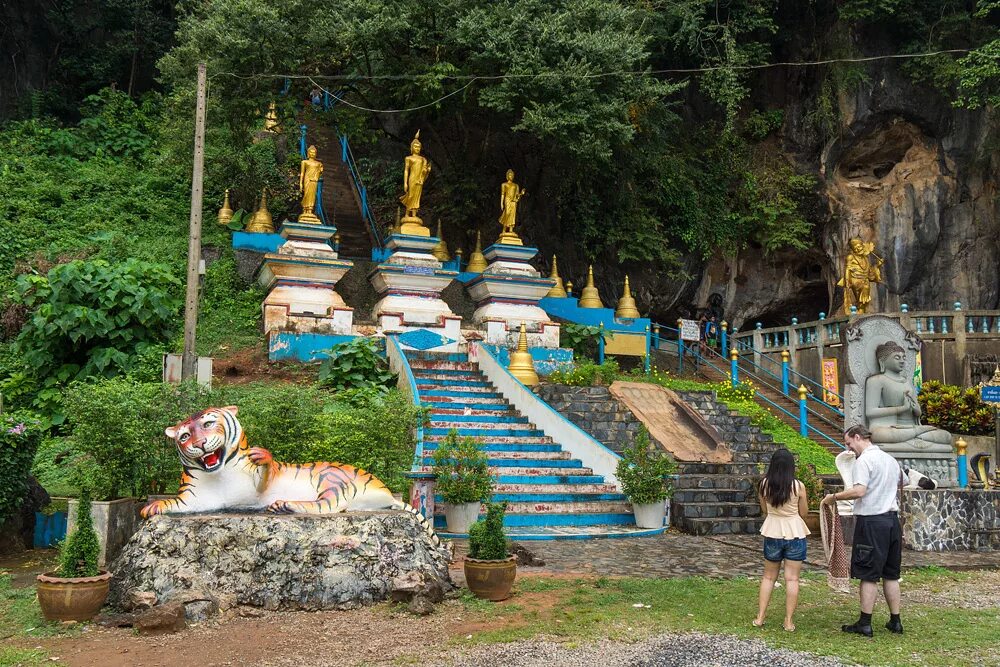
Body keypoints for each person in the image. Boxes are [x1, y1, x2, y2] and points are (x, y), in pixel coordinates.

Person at [824, 424, 905, 638]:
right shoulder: (890, 460)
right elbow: (899, 484)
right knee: (891, 574)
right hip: (892, 521)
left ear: (858, 437)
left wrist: (834, 497)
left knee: (868, 575)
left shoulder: (864, 461)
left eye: (849, 444)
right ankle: (895, 620)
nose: (849, 449)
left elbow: (860, 491)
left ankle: (865, 622)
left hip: (872, 522)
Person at [754, 448, 810, 632]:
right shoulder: (798, 486)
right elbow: (804, 513)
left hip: (773, 531)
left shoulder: (763, 484)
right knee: (792, 579)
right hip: (794, 532)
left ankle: (760, 617)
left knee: (768, 577)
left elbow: (764, 509)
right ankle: (788, 621)